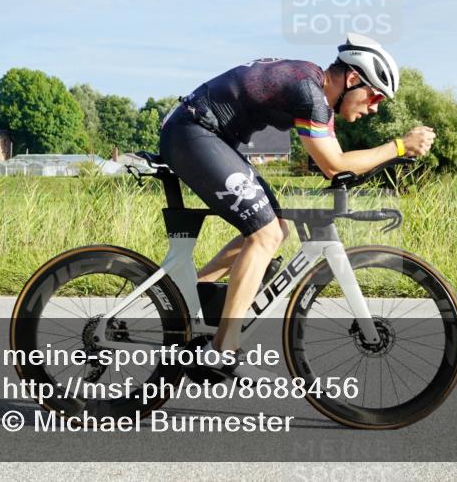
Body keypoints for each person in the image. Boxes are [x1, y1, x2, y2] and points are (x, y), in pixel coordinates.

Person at [158, 33, 435, 380]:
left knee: (273, 227)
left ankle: (184, 300)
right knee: (266, 235)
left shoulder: (313, 88)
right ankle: (222, 349)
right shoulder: (310, 94)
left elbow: (336, 165)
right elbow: (334, 165)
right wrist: (398, 146)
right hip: (193, 131)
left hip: (203, 133)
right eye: (375, 95)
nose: (375, 106)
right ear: (352, 79)